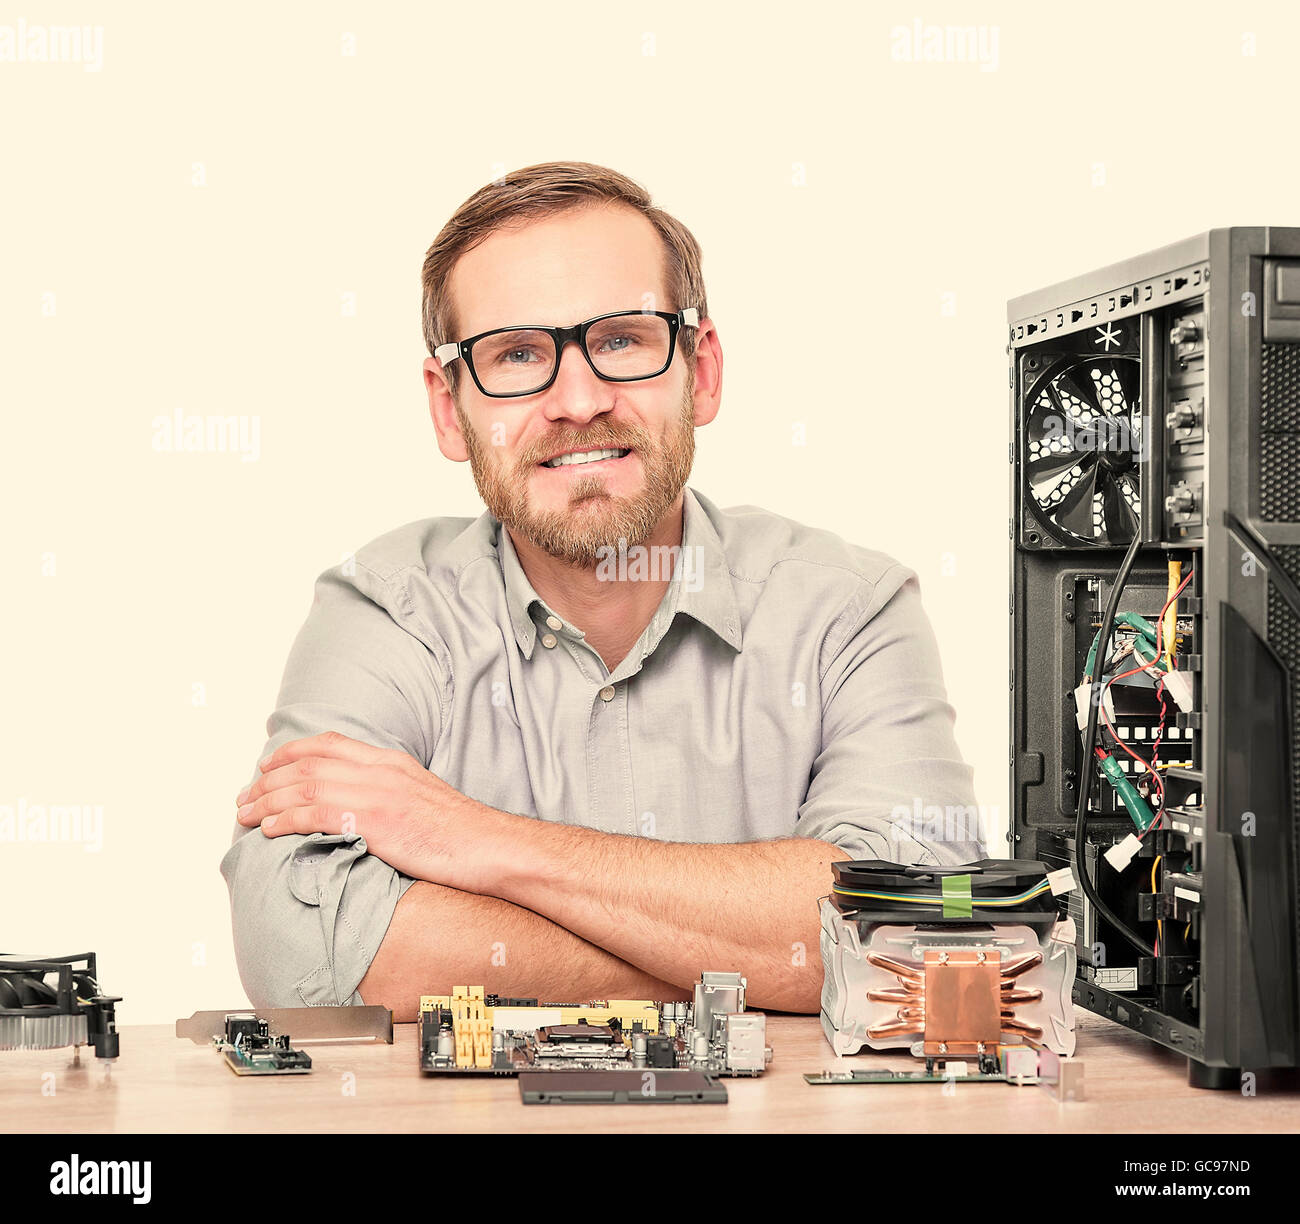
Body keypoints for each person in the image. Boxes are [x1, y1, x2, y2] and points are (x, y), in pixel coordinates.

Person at [220, 161, 984, 1021]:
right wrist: (759, 967)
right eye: (516, 355)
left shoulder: (852, 612)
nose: (578, 400)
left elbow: (923, 934)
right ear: (447, 408)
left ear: (701, 371)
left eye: (622, 339)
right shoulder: (385, 612)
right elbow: (301, 950)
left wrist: (475, 839)